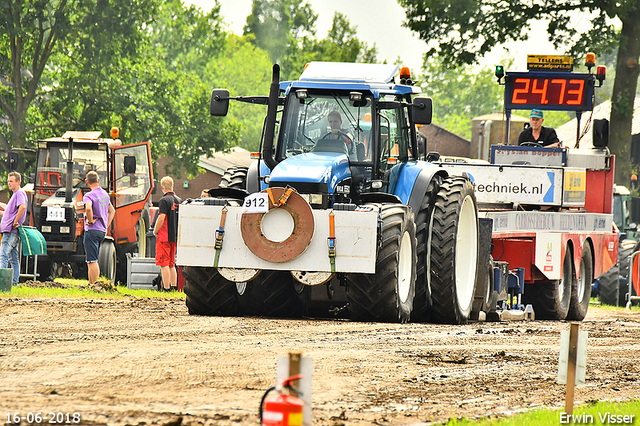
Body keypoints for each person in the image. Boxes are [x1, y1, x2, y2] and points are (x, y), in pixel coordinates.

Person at [83, 171, 115, 285]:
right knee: (91, 259)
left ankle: (95, 285)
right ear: (98, 180)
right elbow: (112, 211)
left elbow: (88, 208)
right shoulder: (105, 194)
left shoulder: (88, 195)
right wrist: (106, 225)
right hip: (101, 231)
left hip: (91, 230)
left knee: (92, 260)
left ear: (87, 182)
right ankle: (90, 284)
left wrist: (90, 221)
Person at [153, 177, 182, 291]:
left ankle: (166, 288)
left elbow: (161, 218)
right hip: (174, 237)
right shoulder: (179, 200)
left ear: (162, 187)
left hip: (164, 237)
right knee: (171, 263)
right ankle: (174, 287)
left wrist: (155, 231)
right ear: (172, 185)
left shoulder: (164, 200)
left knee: (163, 263)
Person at [0, 172, 28, 285]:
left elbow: (23, 206)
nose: (9, 183)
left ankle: (2, 284)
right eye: (8, 181)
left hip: (10, 231)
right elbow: (10, 213)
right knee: (13, 258)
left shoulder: (19, 193)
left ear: (18, 182)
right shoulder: (16, 194)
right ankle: (14, 283)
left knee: (3, 255)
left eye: (11, 181)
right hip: (11, 230)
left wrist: (15, 222)